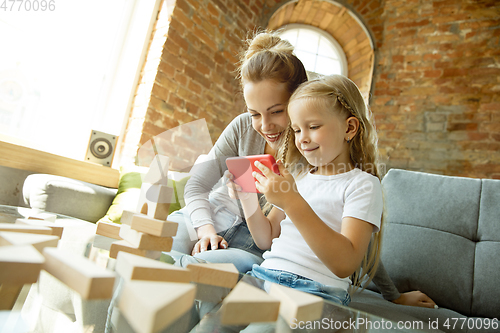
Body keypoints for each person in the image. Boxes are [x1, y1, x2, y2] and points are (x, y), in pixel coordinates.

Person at [168, 30, 436, 307]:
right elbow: (199, 185)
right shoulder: (251, 133)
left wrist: (392, 294)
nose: (264, 125)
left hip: (257, 253)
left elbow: (350, 232)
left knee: (190, 277)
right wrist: (209, 226)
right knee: (156, 262)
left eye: (276, 111)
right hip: (211, 222)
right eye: (254, 114)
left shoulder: (316, 158)